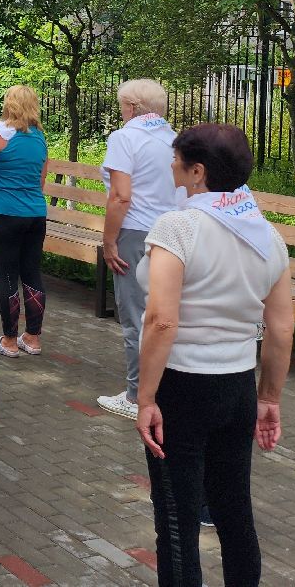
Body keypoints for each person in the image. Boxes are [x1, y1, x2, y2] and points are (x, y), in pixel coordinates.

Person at [137, 123, 293, 587]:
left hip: (182, 386)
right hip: (238, 385)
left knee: (177, 521)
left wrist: (146, 397)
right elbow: (281, 328)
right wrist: (270, 398)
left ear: (198, 171)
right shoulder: (266, 234)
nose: (171, 165)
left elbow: (161, 319)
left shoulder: (178, 226)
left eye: (177, 159)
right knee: (233, 512)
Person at [97, 79, 181, 421]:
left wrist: (108, 241)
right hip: (173, 234)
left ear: (132, 107)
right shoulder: (176, 140)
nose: (121, 112)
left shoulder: (125, 138)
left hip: (134, 233)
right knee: (165, 315)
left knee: (135, 317)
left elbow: (120, 196)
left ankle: (135, 396)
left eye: (122, 106)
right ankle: (165, 391)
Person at [0, 85, 49, 358]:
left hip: (7, 212)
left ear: (9, 103)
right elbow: (41, 179)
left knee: (7, 274)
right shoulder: (40, 137)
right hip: (35, 214)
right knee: (32, 272)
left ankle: (8, 339)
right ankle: (33, 337)